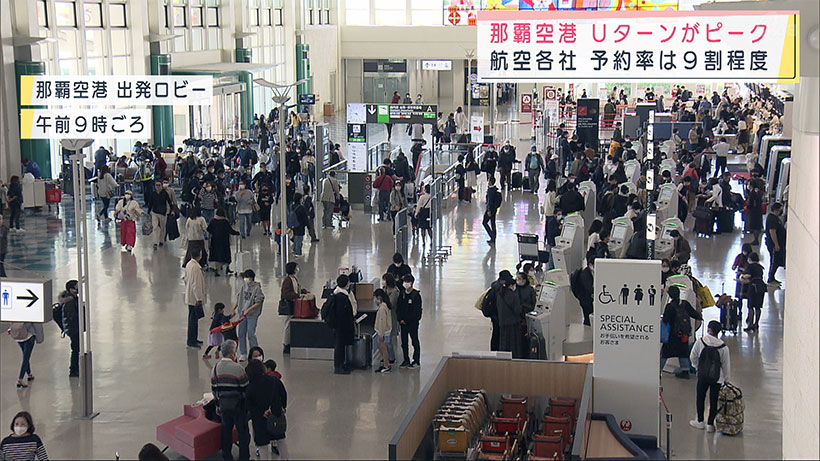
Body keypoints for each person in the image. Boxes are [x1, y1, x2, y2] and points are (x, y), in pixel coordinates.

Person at [210, 340, 251, 461]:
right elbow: (245, 389)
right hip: (238, 407)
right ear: (233, 353)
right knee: (243, 433)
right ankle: (244, 456)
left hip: (224, 407)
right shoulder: (238, 368)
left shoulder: (215, 369)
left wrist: (218, 405)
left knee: (226, 433)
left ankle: (227, 456)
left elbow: (214, 390)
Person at [689, 320, 731, 433]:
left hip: (702, 375)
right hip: (717, 378)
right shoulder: (723, 347)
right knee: (713, 400)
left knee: (700, 397)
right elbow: (726, 365)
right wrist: (726, 379)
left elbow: (693, 356)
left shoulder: (701, 342)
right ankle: (710, 424)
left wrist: (697, 367)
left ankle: (700, 421)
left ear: (709, 330)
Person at [245, 359, 288, 460]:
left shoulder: (250, 387)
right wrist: (283, 406)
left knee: (262, 445)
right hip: (275, 415)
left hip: (260, 419)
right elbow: (283, 393)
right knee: (281, 439)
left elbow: (248, 405)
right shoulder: (274, 380)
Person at [660, 285, 703, 379]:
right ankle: (685, 371)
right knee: (683, 352)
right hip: (684, 334)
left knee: (665, 353)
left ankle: (658, 371)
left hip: (672, 335)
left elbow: (666, 320)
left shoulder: (670, 306)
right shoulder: (685, 304)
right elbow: (694, 314)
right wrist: (700, 316)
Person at [232, 269, 265, 361]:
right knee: (241, 334)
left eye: (247, 277)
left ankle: (255, 353)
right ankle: (243, 353)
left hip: (252, 315)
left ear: (251, 278)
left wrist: (249, 309)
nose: (245, 279)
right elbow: (239, 298)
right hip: (242, 314)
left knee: (251, 334)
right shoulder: (243, 287)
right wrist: (234, 308)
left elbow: (258, 301)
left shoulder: (257, 288)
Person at [328, 274, 356, 374]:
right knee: (339, 345)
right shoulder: (341, 297)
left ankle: (342, 364)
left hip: (339, 325)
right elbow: (342, 313)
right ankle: (338, 366)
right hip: (341, 325)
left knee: (341, 345)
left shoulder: (337, 294)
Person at [280, 262, 307, 354]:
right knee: (287, 325)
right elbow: (286, 293)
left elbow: (296, 289)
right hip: (289, 305)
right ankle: (286, 344)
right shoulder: (287, 280)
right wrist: (297, 295)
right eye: (296, 268)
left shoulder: (294, 279)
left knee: (290, 324)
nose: (298, 269)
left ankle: (288, 343)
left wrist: (303, 291)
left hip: (294, 304)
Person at [397, 274, 422, 369]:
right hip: (403, 323)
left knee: (414, 341)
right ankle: (406, 359)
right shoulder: (402, 294)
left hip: (412, 323)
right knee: (404, 342)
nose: (405, 284)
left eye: (407, 282)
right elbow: (399, 307)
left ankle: (416, 360)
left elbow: (416, 312)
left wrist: (407, 320)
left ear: (411, 283)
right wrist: (400, 319)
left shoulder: (416, 296)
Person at [495, 272, 523, 358]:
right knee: (513, 345)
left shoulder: (500, 294)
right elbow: (518, 310)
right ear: (511, 285)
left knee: (504, 344)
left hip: (503, 322)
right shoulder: (513, 296)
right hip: (513, 324)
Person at [8, 321, 42, 389]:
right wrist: (39, 339)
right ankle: (20, 379)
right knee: (26, 358)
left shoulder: (17, 312)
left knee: (25, 356)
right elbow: (37, 325)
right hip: (29, 336)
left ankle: (29, 374)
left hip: (18, 336)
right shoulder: (31, 312)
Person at [184, 247, 206, 349]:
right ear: (200, 255)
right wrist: (199, 298)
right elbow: (196, 285)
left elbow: (185, 279)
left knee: (193, 319)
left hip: (190, 296)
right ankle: (191, 341)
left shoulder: (189, 264)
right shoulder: (196, 268)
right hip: (194, 299)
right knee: (193, 321)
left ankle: (193, 339)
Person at [58, 280, 80, 377]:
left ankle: (75, 368)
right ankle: (73, 369)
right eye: (76, 287)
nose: (78, 289)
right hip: (73, 328)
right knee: (75, 348)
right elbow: (72, 316)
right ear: (71, 289)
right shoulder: (69, 301)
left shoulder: (72, 298)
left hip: (73, 328)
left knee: (76, 348)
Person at [208, 208, 239, 276]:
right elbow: (230, 230)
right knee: (226, 254)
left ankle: (216, 270)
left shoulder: (213, 221)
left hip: (215, 241)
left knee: (216, 255)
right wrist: (237, 233)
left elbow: (208, 229)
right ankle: (227, 268)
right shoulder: (225, 221)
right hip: (224, 241)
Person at [740, 252, 766, 332]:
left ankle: (750, 324)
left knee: (751, 306)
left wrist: (742, 276)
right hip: (761, 286)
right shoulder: (760, 267)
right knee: (758, 307)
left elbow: (748, 276)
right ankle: (756, 323)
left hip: (753, 287)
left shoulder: (750, 266)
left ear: (750, 259)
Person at [381, 273, 401, 364]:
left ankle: (391, 357)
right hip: (384, 316)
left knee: (390, 338)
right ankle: (386, 355)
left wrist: (383, 300)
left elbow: (391, 304)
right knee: (384, 338)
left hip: (391, 317)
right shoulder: (384, 289)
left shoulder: (395, 291)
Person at [148, 180, 173, 250]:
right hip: (155, 212)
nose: (158, 187)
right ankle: (155, 242)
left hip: (162, 213)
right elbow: (150, 203)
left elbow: (169, 202)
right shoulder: (153, 193)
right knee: (155, 227)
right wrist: (148, 212)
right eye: (156, 185)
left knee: (162, 227)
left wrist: (172, 210)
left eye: (159, 185)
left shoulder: (164, 193)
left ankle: (161, 240)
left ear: (161, 186)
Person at [765, 202, 786, 286]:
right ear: (776, 210)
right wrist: (776, 244)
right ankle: (770, 278)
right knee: (774, 261)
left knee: (776, 261)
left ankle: (772, 277)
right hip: (773, 245)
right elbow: (772, 232)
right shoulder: (772, 219)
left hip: (778, 244)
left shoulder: (775, 218)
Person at [373, 288, 393, 373]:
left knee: (383, 348)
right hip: (385, 331)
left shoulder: (382, 308)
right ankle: (386, 364)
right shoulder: (385, 305)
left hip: (383, 332)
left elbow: (382, 321)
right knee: (381, 347)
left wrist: (381, 334)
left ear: (379, 297)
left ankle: (386, 365)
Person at [483, 177, 502, 245]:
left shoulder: (490, 190)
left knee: (484, 222)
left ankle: (492, 235)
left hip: (490, 209)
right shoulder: (495, 189)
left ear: (490, 182)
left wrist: (488, 210)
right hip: (494, 209)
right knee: (493, 222)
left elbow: (489, 201)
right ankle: (493, 237)